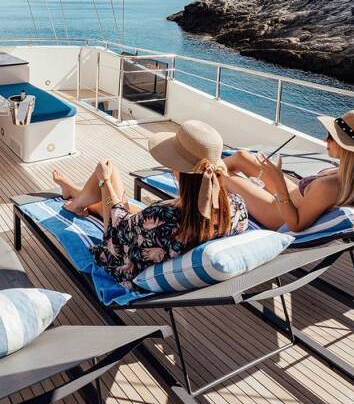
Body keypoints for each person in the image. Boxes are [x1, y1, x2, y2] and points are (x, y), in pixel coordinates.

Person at [51, 120, 249, 290]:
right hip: (166, 240)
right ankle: (75, 194)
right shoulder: (237, 206)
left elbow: (115, 233)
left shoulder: (162, 217)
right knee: (130, 208)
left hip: (128, 265)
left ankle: (75, 203)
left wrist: (105, 182)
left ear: (178, 171)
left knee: (108, 169)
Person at [222, 110, 354, 231]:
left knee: (219, 175)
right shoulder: (351, 176)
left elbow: (295, 225)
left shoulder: (330, 186)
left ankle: (206, 190)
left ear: (347, 147)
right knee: (241, 156)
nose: (325, 139)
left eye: (331, 136)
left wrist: (278, 181)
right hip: (292, 197)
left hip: (278, 213)